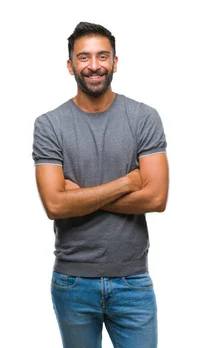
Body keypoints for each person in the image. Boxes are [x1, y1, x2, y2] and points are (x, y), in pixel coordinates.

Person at [32, 22, 168, 348]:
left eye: (102, 56)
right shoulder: (49, 125)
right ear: (70, 65)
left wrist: (78, 196)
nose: (94, 66)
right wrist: (127, 182)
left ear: (115, 62)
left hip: (132, 281)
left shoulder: (143, 118)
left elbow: (157, 197)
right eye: (84, 57)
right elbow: (54, 205)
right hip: (72, 281)